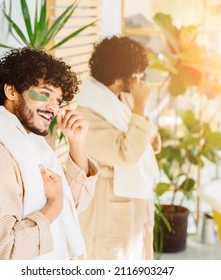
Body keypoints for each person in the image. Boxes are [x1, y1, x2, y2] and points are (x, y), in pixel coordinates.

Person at [0, 47, 99, 260]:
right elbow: (3, 255)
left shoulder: (30, 143)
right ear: (11, 91)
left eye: (58, 101)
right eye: (45, 94)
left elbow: (71, 205)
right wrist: (53, 206)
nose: (54, 108)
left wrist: (76, 142)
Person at [76, 36, 161, 260]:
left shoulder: (123, 98)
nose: (139, 78)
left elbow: (150, 141)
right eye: (136, 72)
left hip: (132, 200)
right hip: (107, 204)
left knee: (135, 254)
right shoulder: (86, 111)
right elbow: (127, 153)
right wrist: (141, 105)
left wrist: (139, 110)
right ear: (120, 74)